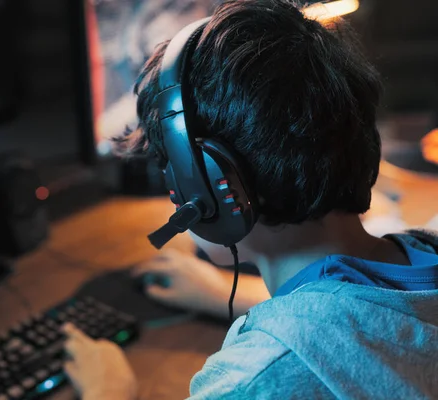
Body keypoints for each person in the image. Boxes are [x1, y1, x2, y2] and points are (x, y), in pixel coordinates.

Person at [62, 1, 438, 399]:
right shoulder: (424, 258)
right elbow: (366, 330)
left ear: (207, 188)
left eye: (173, 171)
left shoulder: (255, 380)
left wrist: (109, 392)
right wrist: (226, 296)